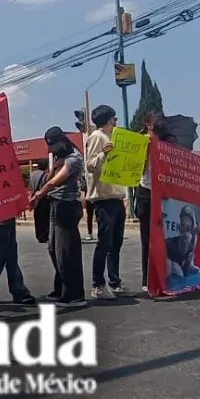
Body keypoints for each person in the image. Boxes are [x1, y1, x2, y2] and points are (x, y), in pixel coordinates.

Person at [28, 126, 86, 307]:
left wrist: (38, 195)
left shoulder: (74, 158)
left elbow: (54, 182)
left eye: (53, 145)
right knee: (53, 248)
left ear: (62, 141)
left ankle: (74, 295)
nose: (51, 149)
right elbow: (49, 177)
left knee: (66, 251)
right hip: (55, 205)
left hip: (67, 207)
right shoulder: (60, 158)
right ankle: (60, 288)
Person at [83, 105, 126, 300]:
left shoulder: (113, 138)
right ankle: (98, 284)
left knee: (115, 243)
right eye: (114, 118)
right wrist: (104, 154)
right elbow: (90, 165)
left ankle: (114, 281)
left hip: (116, 196)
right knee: (105, 243)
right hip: (103, 197)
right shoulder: (97, 137)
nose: (116, 121)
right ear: (108, 119)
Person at [134, 112, 165, 290]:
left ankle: (163, 275)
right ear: (147, 124)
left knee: (164, 238)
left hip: (163, 193)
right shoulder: (140, 142)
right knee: (147, 239)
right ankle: (147, 279)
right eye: (155, 122)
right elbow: (136, 168)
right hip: (145, 192)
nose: (159, 124)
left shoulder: (167, 142)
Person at [28, 159, 50, 244]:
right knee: (45, 218)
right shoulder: (45, 175)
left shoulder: (32, 174)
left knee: (37, 218)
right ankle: (45, 235)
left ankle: (39, 235)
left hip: (34, 198)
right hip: (43, 198)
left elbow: (30, 187)